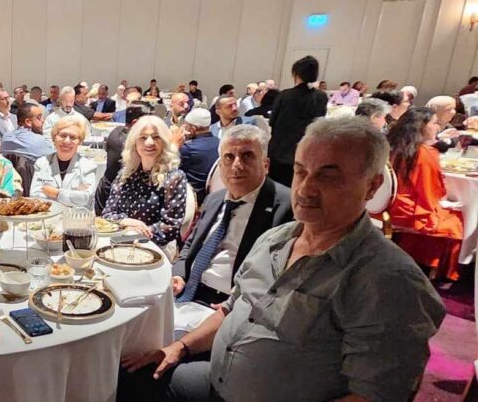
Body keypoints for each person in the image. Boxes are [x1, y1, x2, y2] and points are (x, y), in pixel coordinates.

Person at [122, 117, 444, 402]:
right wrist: (180, 347)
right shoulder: (276, 239)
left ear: (372, 186)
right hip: (217, 383)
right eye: (301, 171)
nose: (305, 189)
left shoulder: (389, 280)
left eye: (328, 176)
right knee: (124, 378)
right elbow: (231, 308)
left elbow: (376, 394)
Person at [172, 125, 293, 307]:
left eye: (247, 156)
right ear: (220, 166)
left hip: (236, 304)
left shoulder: (286, 206)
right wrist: (178, 274)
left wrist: (236, 305)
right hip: (190, 290)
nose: (237, 165)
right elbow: (190, 244)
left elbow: (284, 276)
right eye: (229, 157)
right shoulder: (214, 199)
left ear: (265, 165)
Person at [387, 107, 464, 281]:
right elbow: (432, 193)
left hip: (383, 207)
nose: (438, 127)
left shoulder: (389, 145)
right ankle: (432, 268)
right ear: (421, 126)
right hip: (406, 211)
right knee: (455, 219)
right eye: (435, 123)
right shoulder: (423, 153)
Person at [102, 116, 188, 248]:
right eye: (143, 137)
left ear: (164, 141)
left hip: (154, 246)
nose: (149, 142)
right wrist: (126, 222)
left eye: (156, 137)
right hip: (119, 240)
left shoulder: (174, 177)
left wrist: (135, 233)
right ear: (134, 142)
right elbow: (107, 214)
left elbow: (170, 226)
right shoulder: (125, 174)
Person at [267, 55, 327, 186]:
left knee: (276, 189)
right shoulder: (321, 97)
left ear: (296, 74)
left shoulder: (285, 95)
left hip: (280, 152)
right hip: (306, 154)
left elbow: (272, 122)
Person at [96, 102, 154, 213]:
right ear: (135, 123)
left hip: (106, 188)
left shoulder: (117, 130)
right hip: (115, 196)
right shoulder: (128, 143)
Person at [31, 117, 97, 207]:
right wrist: (73, 196)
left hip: (76, 215)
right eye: (63, 135)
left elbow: (86, 198)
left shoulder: (88, 166)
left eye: (73, 137)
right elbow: (35, 195)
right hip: (49, 214)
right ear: (54, 137)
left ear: (79, 142)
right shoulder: (42, 163)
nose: (67, 141)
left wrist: (57, 193)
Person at [178, 109, 219, 204]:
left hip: (192, 198)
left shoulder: (188, 148)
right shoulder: (220, 142)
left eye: (186, 127)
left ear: (193, 129)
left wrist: (174, 143)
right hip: (212, 196)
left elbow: (168, 165)